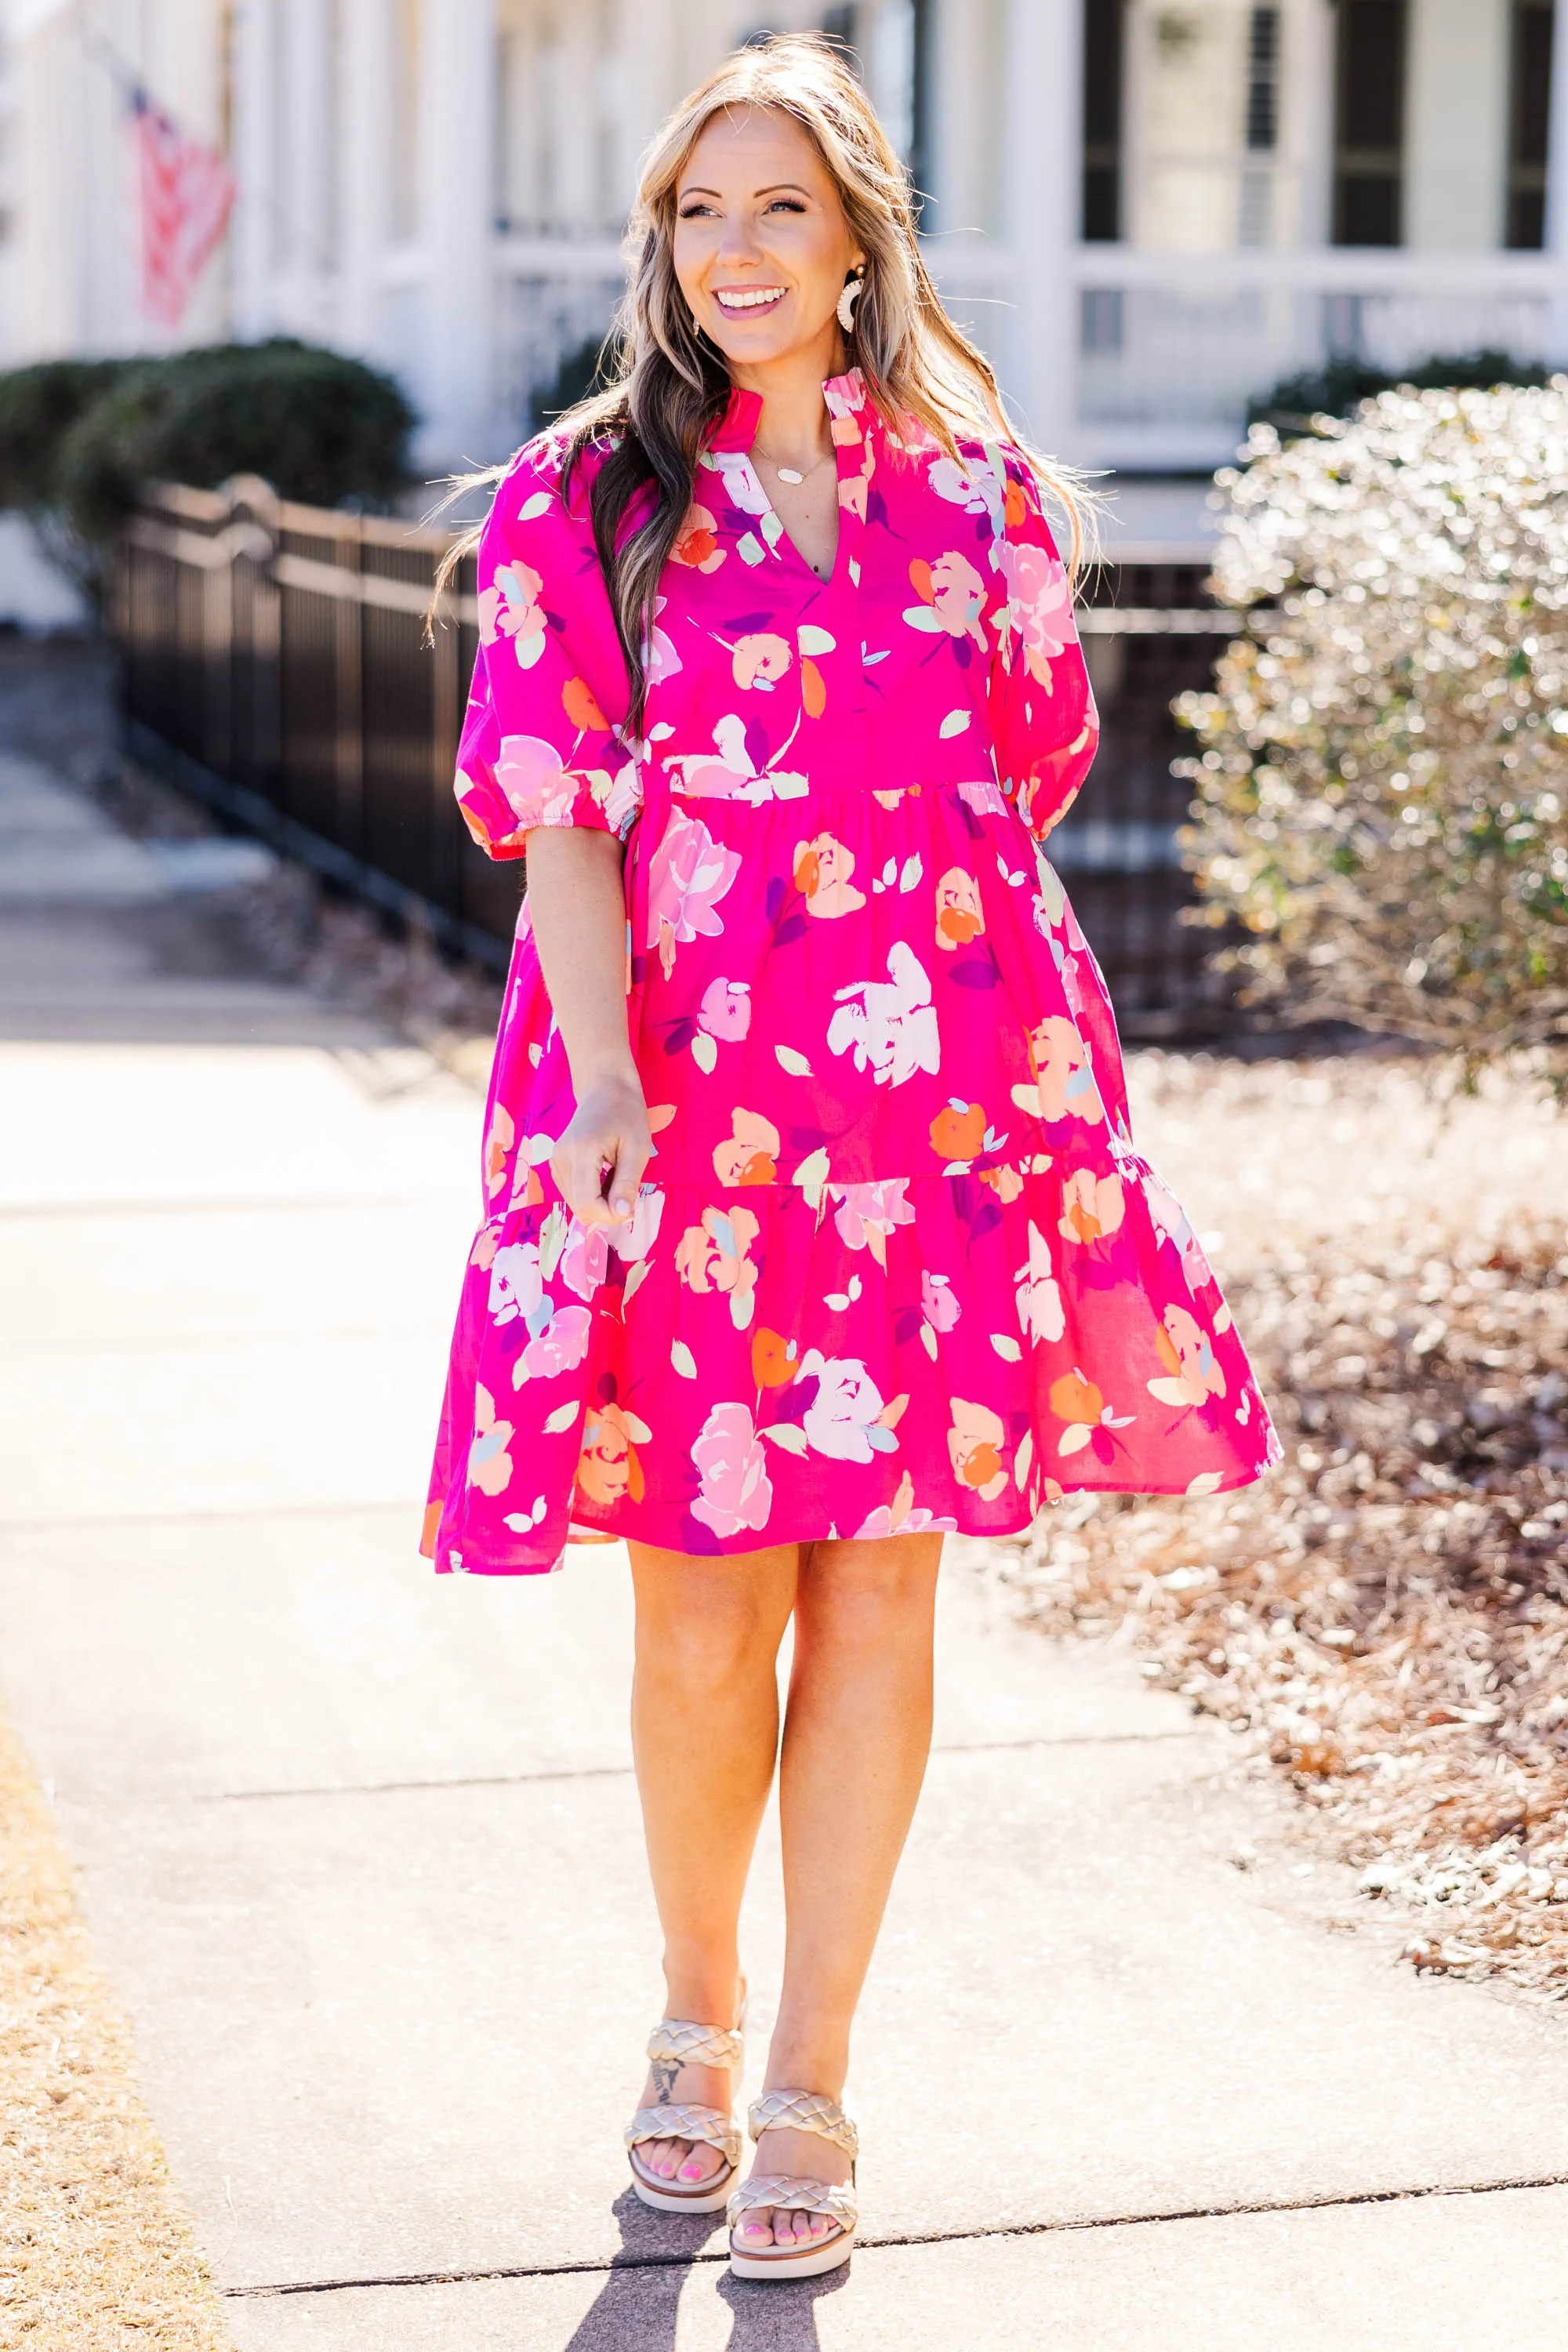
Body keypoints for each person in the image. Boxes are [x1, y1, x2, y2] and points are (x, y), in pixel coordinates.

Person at [422, 34, 1279, 2283]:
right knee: (705, 1608)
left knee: (884, 1581)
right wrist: (605, 1082)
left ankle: (814, 2068)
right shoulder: (584, 502)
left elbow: (1022, 774)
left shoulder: (980, 503)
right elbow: (564, 830)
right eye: (698, 213)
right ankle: (691, 2018)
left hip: (934, 1099)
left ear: (861, 231)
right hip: (681, 1101)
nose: (733, 253)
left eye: (777, 208)